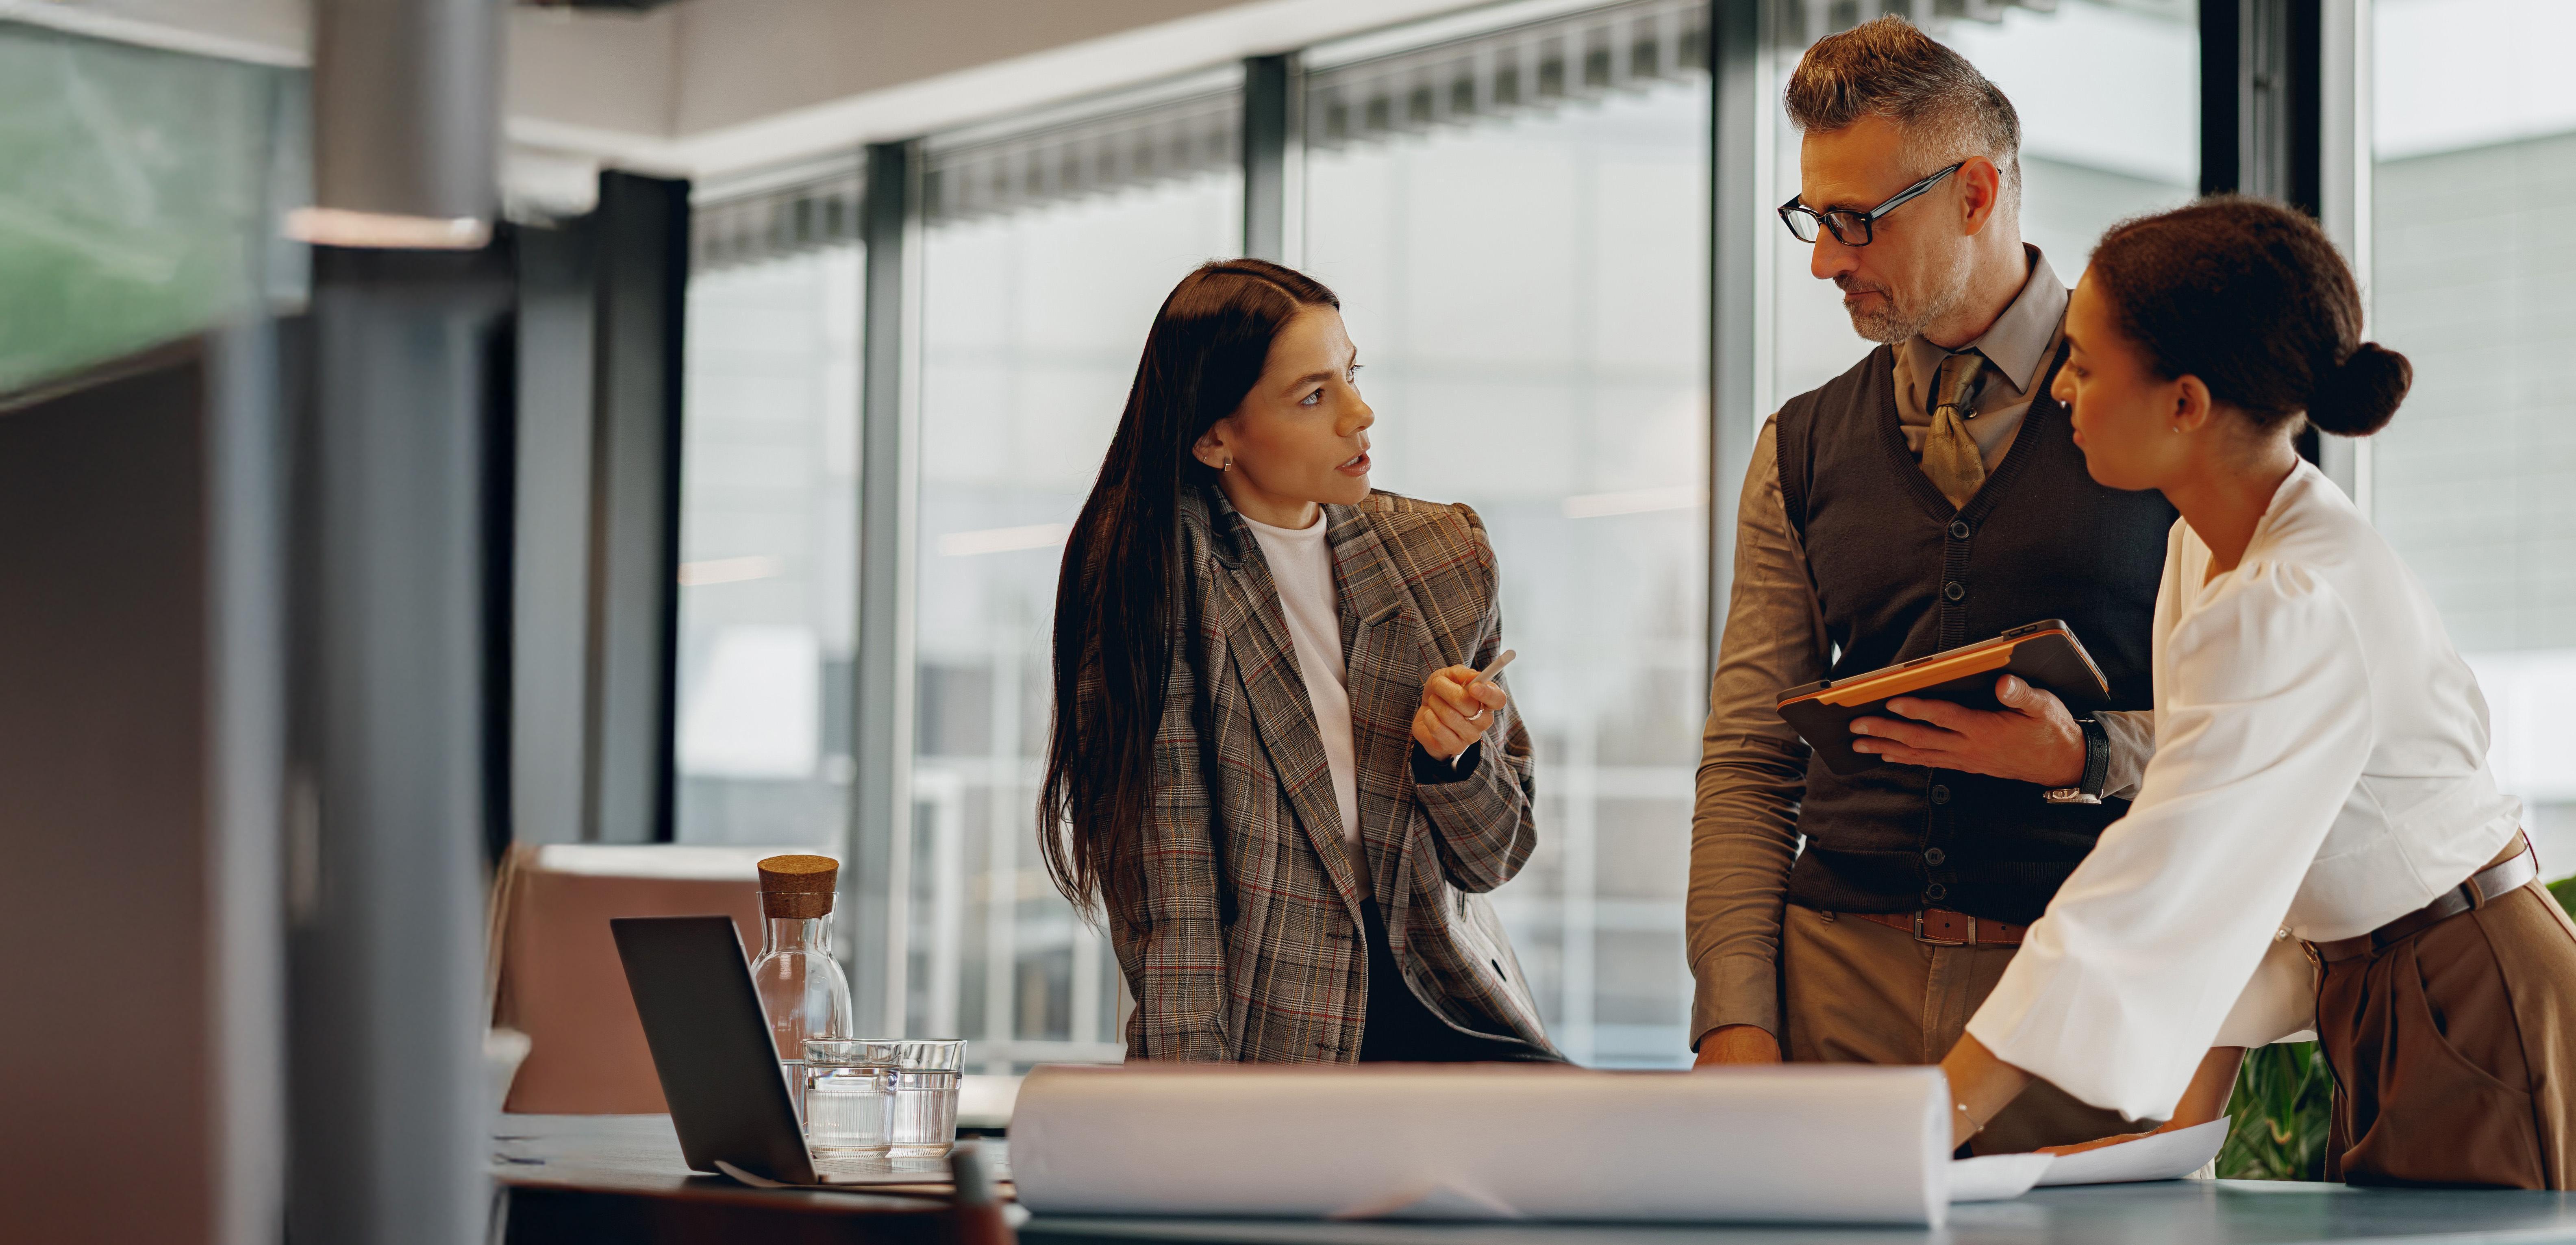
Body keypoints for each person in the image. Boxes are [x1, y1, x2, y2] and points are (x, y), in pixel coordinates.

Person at [1940, 196, 2576, 1189]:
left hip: (2470, 994)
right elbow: (2235, 858)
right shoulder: (2214, 549)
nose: (2060, 386)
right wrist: (2175, 1143)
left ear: (2184, 402)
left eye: (2085, 362)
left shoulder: (2293, 596)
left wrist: (1930, 1121)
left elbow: (2161, 874)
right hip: (2389, 989)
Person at [1687, 17, 2176, 1153]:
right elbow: (1753, 755)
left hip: (2078, 987)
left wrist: (2091, 752)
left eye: (1857, 222)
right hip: (1835, 981)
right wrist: (1736, 1016)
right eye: (1814, 219)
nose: (1824, 259)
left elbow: (2259, 733)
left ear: (1973, 193)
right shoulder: (1798, 445)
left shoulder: (2174, 407)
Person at [1038, 258, 1558, 1064]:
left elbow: (1494, 857)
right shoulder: (1154, 575)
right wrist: (1192, 1117)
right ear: (1215, 437)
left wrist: (1451, 759)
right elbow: (1172, 895)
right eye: (1313, 396)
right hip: (1271, 1039)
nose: (1361, 413)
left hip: (1452, 1012)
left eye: (1351, 375)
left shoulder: (1441, 557)